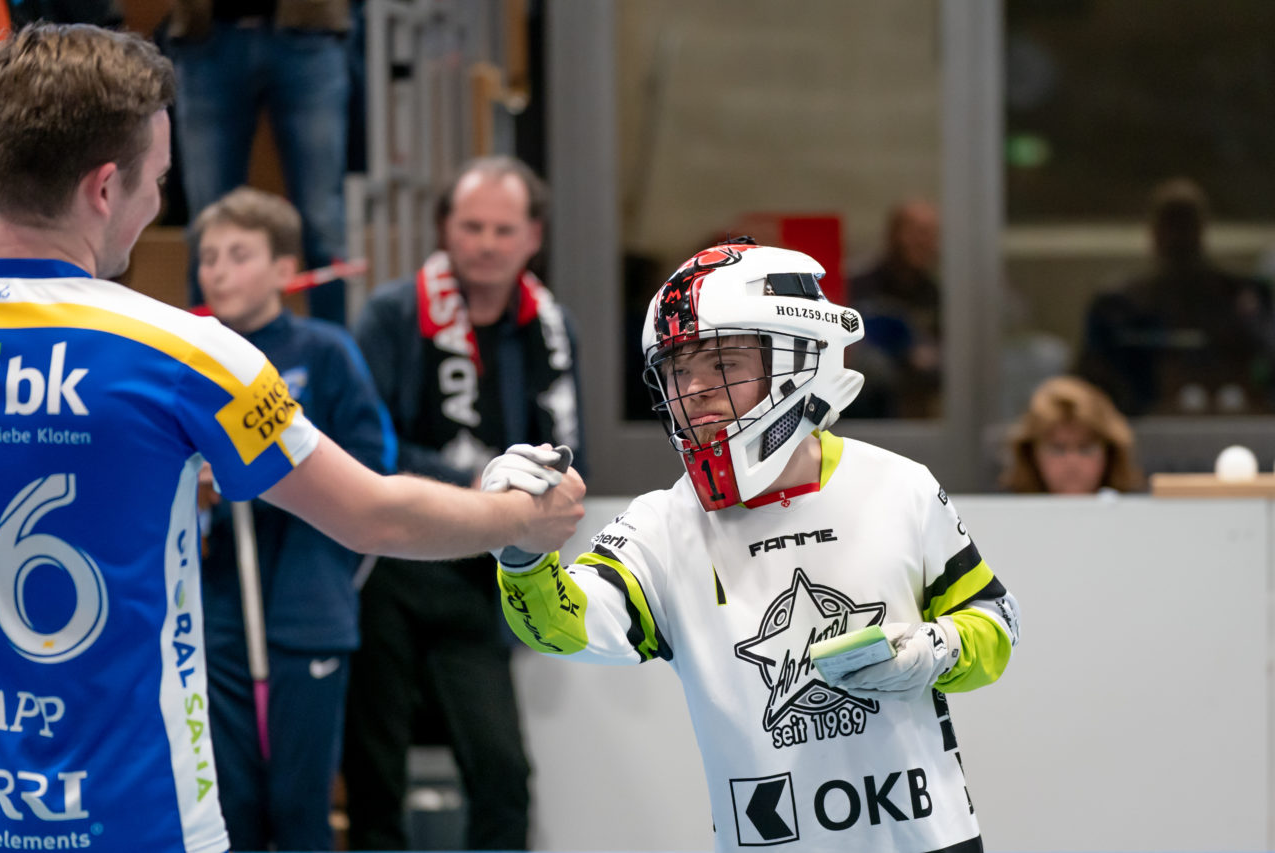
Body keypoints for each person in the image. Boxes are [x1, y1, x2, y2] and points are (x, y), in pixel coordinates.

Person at [0, 23, 583, 853]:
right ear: (102, 188)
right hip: (139, 817)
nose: (159, 206)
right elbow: (371, 515)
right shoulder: (186, 353)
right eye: (157, 183)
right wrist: (519, 517)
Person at [485, 239, 1020, 852]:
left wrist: (935, 650)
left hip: (930, 840)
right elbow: (565, 625)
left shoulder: (900, 486)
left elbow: (996, 624)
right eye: (679, 370)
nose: (696, 391)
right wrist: (522, 552)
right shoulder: (662, 523)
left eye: (723, 364)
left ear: (801, 358)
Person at [344, 155, 584, 851]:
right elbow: (365, 444)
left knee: (504, 777)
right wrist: (492, 480)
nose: (486, 242)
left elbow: (575, 457)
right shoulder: (394, 311)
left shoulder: (552, 325)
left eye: (503, 229)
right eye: (471, 225)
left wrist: (508, 492)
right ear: (446, 228)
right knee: (374, 783)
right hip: (387, 568)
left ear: (532, 236)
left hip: (483, 573)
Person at [193, 186, 394, 850]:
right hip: (218, 617)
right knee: (233, 811)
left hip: (308, 614)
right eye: (209, 256)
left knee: (300, 808)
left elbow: (371, 466)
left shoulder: (324, 351)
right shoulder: (192, 356)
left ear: (285, 269)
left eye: (239, 254)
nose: (217, 269)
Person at [167, 0, 352, 323]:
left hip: (309, 26)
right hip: (207, 33)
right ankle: (203, 360)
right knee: (207, 223)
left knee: (322, 219)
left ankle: (334, 357)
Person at [1077, 177, 1275, 416]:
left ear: (1201, 229)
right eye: (1171, 223)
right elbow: (1089, 382)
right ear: (1154, 231)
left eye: (1185, 224)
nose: (1178, 236)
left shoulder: (1241, 299)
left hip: (1231, 421)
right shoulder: (1117, 307)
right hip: (1143, 424)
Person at [845, 199, 943, 418]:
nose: (925, 242)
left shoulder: (937, 296)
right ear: (894, 235)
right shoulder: (859, 287)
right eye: (918, 232)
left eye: (931, 234)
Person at [1000, 375, 1144, 495]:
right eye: (1058, 449)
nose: (1072, 462)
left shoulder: (1135, 519)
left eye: (1085, 448)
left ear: (1110, 453)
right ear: (1030, 454)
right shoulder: (1003, 518)